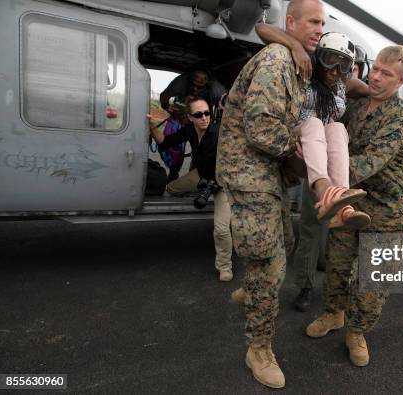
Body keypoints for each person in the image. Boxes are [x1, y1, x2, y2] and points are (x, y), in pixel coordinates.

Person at [215, 0, 324, 388]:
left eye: (322, 23)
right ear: (290, 22)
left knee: (286, 242)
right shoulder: (278, 59)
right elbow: (261, 129)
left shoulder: (296, 63)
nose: (319, 29)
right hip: (249, 173)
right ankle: (259, 348)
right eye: (312, 22)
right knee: (267, 264)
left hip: (268, 174)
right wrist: (298, 150)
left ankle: (258, 282)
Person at [304, 45, 403, 367]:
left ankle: (356, 331)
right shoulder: (356, 106)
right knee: (337, 265)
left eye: (387, 74)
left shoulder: (401, 118)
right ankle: (333, 314)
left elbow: (369, 162)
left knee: (374, 279)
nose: (377, 77)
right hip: (350, 201)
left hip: (388, 209)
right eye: (376, 69)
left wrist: (319, 172)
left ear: (401, 81)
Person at [254, 25, 373, 312]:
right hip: (300, 151)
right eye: (331, 60)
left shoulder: (345, 85)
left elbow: (377, 93)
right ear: (319, 57)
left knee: (336, 129)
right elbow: (261, 28)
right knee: (309, 228)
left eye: (344, 64)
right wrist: (295, 46)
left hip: (325, 157)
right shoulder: (304, 69)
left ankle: (341, 201)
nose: (336, 70)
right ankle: (305, 286)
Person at [148, 98, 233, 282]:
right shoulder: (189, 130)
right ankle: (200, 190)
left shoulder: (220, 132)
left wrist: (219, 182)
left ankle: (224, 266)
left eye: (207, 113)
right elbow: (165, 141)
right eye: (198, 114)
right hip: (201, 175)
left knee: (221, 228)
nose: (204, 118)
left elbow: (238, 158)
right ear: (190, 117)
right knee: (171, 188)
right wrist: (152, 126)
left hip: (223, 182)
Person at [158, 70, 227, 181]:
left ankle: (198, 177)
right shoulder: (180, 83)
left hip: (200, 122)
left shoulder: (216, 89)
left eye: (199, 87)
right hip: (181, 118)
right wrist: (166, 106)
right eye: (193, 85)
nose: (195, 89)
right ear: (189, 81)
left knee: (201, 151)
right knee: (174, 148)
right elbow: (164, 96)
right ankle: (173, 172)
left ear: (206, 85)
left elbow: (227, 102)